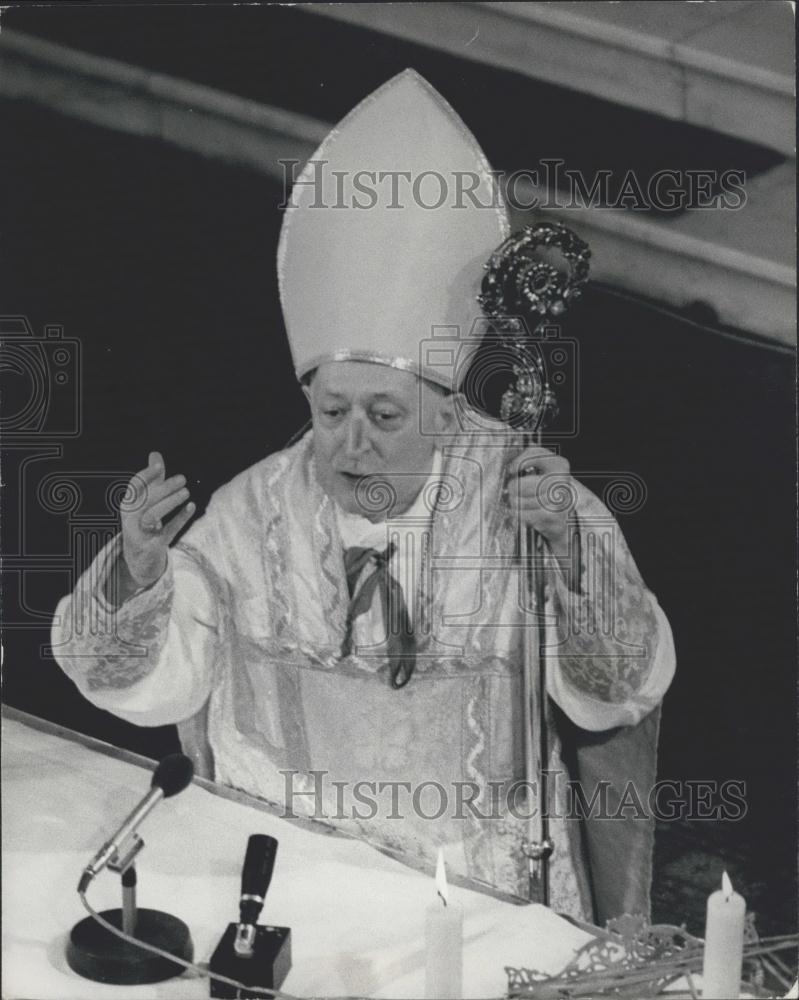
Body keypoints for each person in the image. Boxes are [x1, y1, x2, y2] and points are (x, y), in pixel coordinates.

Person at [52, 70, 675, 924]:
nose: (349, 441)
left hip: (476, 886)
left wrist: (569, 553)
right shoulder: (254, 515)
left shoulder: (523, 496)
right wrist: (134, 575)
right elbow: (134, 685)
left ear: (446, 408)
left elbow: (619, 688)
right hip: (287, 871)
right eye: (329, 410)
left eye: (383, 414)